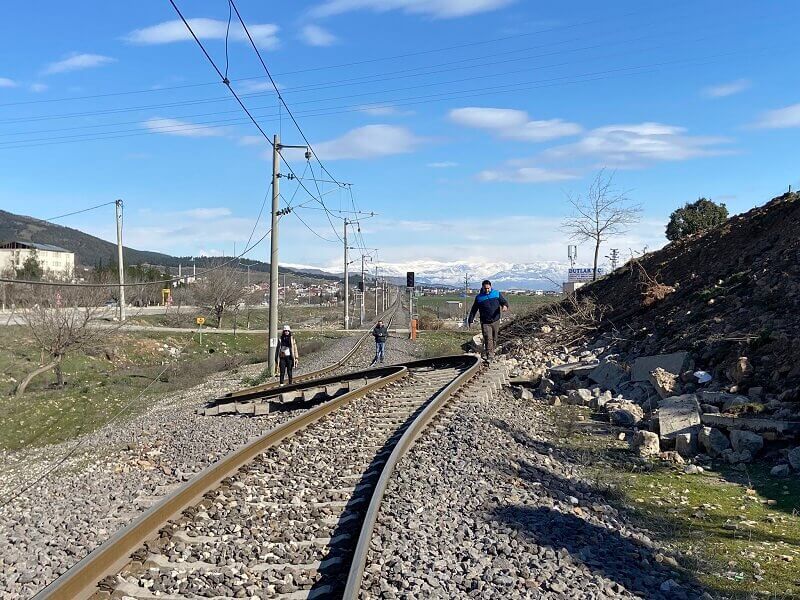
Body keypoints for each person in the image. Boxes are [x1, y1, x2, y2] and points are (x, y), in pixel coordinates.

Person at [467, 280, 509, 362]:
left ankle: (491, 352)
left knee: (494, 338)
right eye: (485, 288)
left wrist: (504, 306)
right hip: (485, 321)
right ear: (482, 287)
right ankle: (490, 355)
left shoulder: (496, 293)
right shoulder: (479, 298)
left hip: (495, 320)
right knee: (488, 337)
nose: (487, 290)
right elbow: (474, 310)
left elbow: (504, 302)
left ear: (491, 287)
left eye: (488, 288)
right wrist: (470, 320)